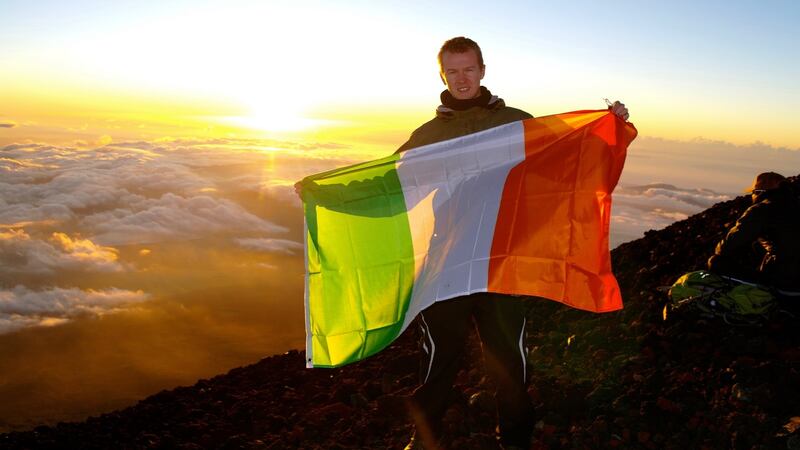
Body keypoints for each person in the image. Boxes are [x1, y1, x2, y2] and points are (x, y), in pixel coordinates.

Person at [399, 36, 629, 450]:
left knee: (508, 361)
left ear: (483, 70)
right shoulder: (428, 136)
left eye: (469, 69)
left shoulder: (515, 123)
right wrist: (329, 195)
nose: (462, 78)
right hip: (447, 263)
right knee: (437, 362)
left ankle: (515, 439)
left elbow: (564, 155)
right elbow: (392, 184)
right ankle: (425, 438)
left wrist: (608, 128)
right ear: (442, 75)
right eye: (453, 71)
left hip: (501, 261)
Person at [708, 172, 800, 296]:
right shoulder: (795, 204)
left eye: (753, 192)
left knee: (716, 262)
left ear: (759, 191)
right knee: (758, 245)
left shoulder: (762, 209)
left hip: (785, 284)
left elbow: (727, 246)